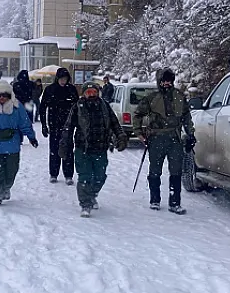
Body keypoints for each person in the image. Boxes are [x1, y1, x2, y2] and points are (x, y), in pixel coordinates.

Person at [58, 82, 128, 217]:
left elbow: (115, 123)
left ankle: (92, 194)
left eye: (94, 92)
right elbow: (68, 127)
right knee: (85, 177)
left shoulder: (104, 106)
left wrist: (121, 136)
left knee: (100, 177)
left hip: (100, 148)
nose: (91, 95)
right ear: (84, 94)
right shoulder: (78, 107)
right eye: (88, 92)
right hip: (82, 149)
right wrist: (64, 143)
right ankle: (85, 204)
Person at [132, 68, 196, 214]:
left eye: (169, 80)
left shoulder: (179, 96)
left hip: (175, 139)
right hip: (156, 139)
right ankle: (154, 199)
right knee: (155, 171)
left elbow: (186, 117)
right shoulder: (151, 98)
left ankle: (175, 203)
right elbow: (137, 115)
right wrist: (139, 134)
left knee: (176, 171)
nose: (167, 83)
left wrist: (190, 134)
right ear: (159, 82)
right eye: (164, 81)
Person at [38, 67, 79, 185]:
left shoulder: (71, 90)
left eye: (65, 78)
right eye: (61, 78)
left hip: (68, 125)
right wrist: (44, 125)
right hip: (54, 124)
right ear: (57, 78)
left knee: (68, 150)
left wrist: (76, 123)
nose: (63, 81)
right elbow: (42, 108)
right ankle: (53, 173)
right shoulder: (50, 89)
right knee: (54, 150)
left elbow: (77, 108)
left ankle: (68, 174)